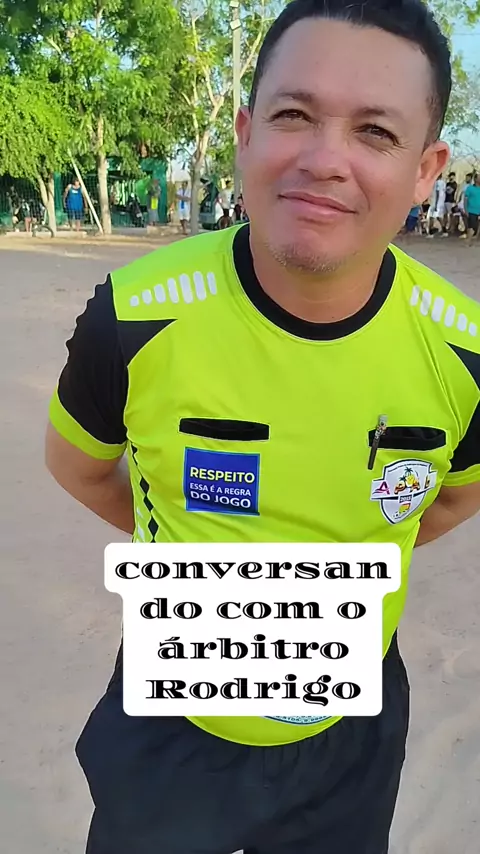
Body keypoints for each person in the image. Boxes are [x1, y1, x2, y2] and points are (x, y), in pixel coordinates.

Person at [45, 1, 480, 853]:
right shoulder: (134, 316)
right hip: (170, 726)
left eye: (375, 132)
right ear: (244, 134)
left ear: (427, 170)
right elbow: (79, 467)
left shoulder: (464, 353)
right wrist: (207, 567)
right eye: (293, 115)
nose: (325, 159)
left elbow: (453, 500)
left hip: (351, 738)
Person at [464, 172, 480, 240]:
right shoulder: (470, 188)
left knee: (477, 226)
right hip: (471, 210)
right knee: (471, 227)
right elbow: (465, 199)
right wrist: (466, 210)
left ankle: (476, 237)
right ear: (475, 179)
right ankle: (468, 240)